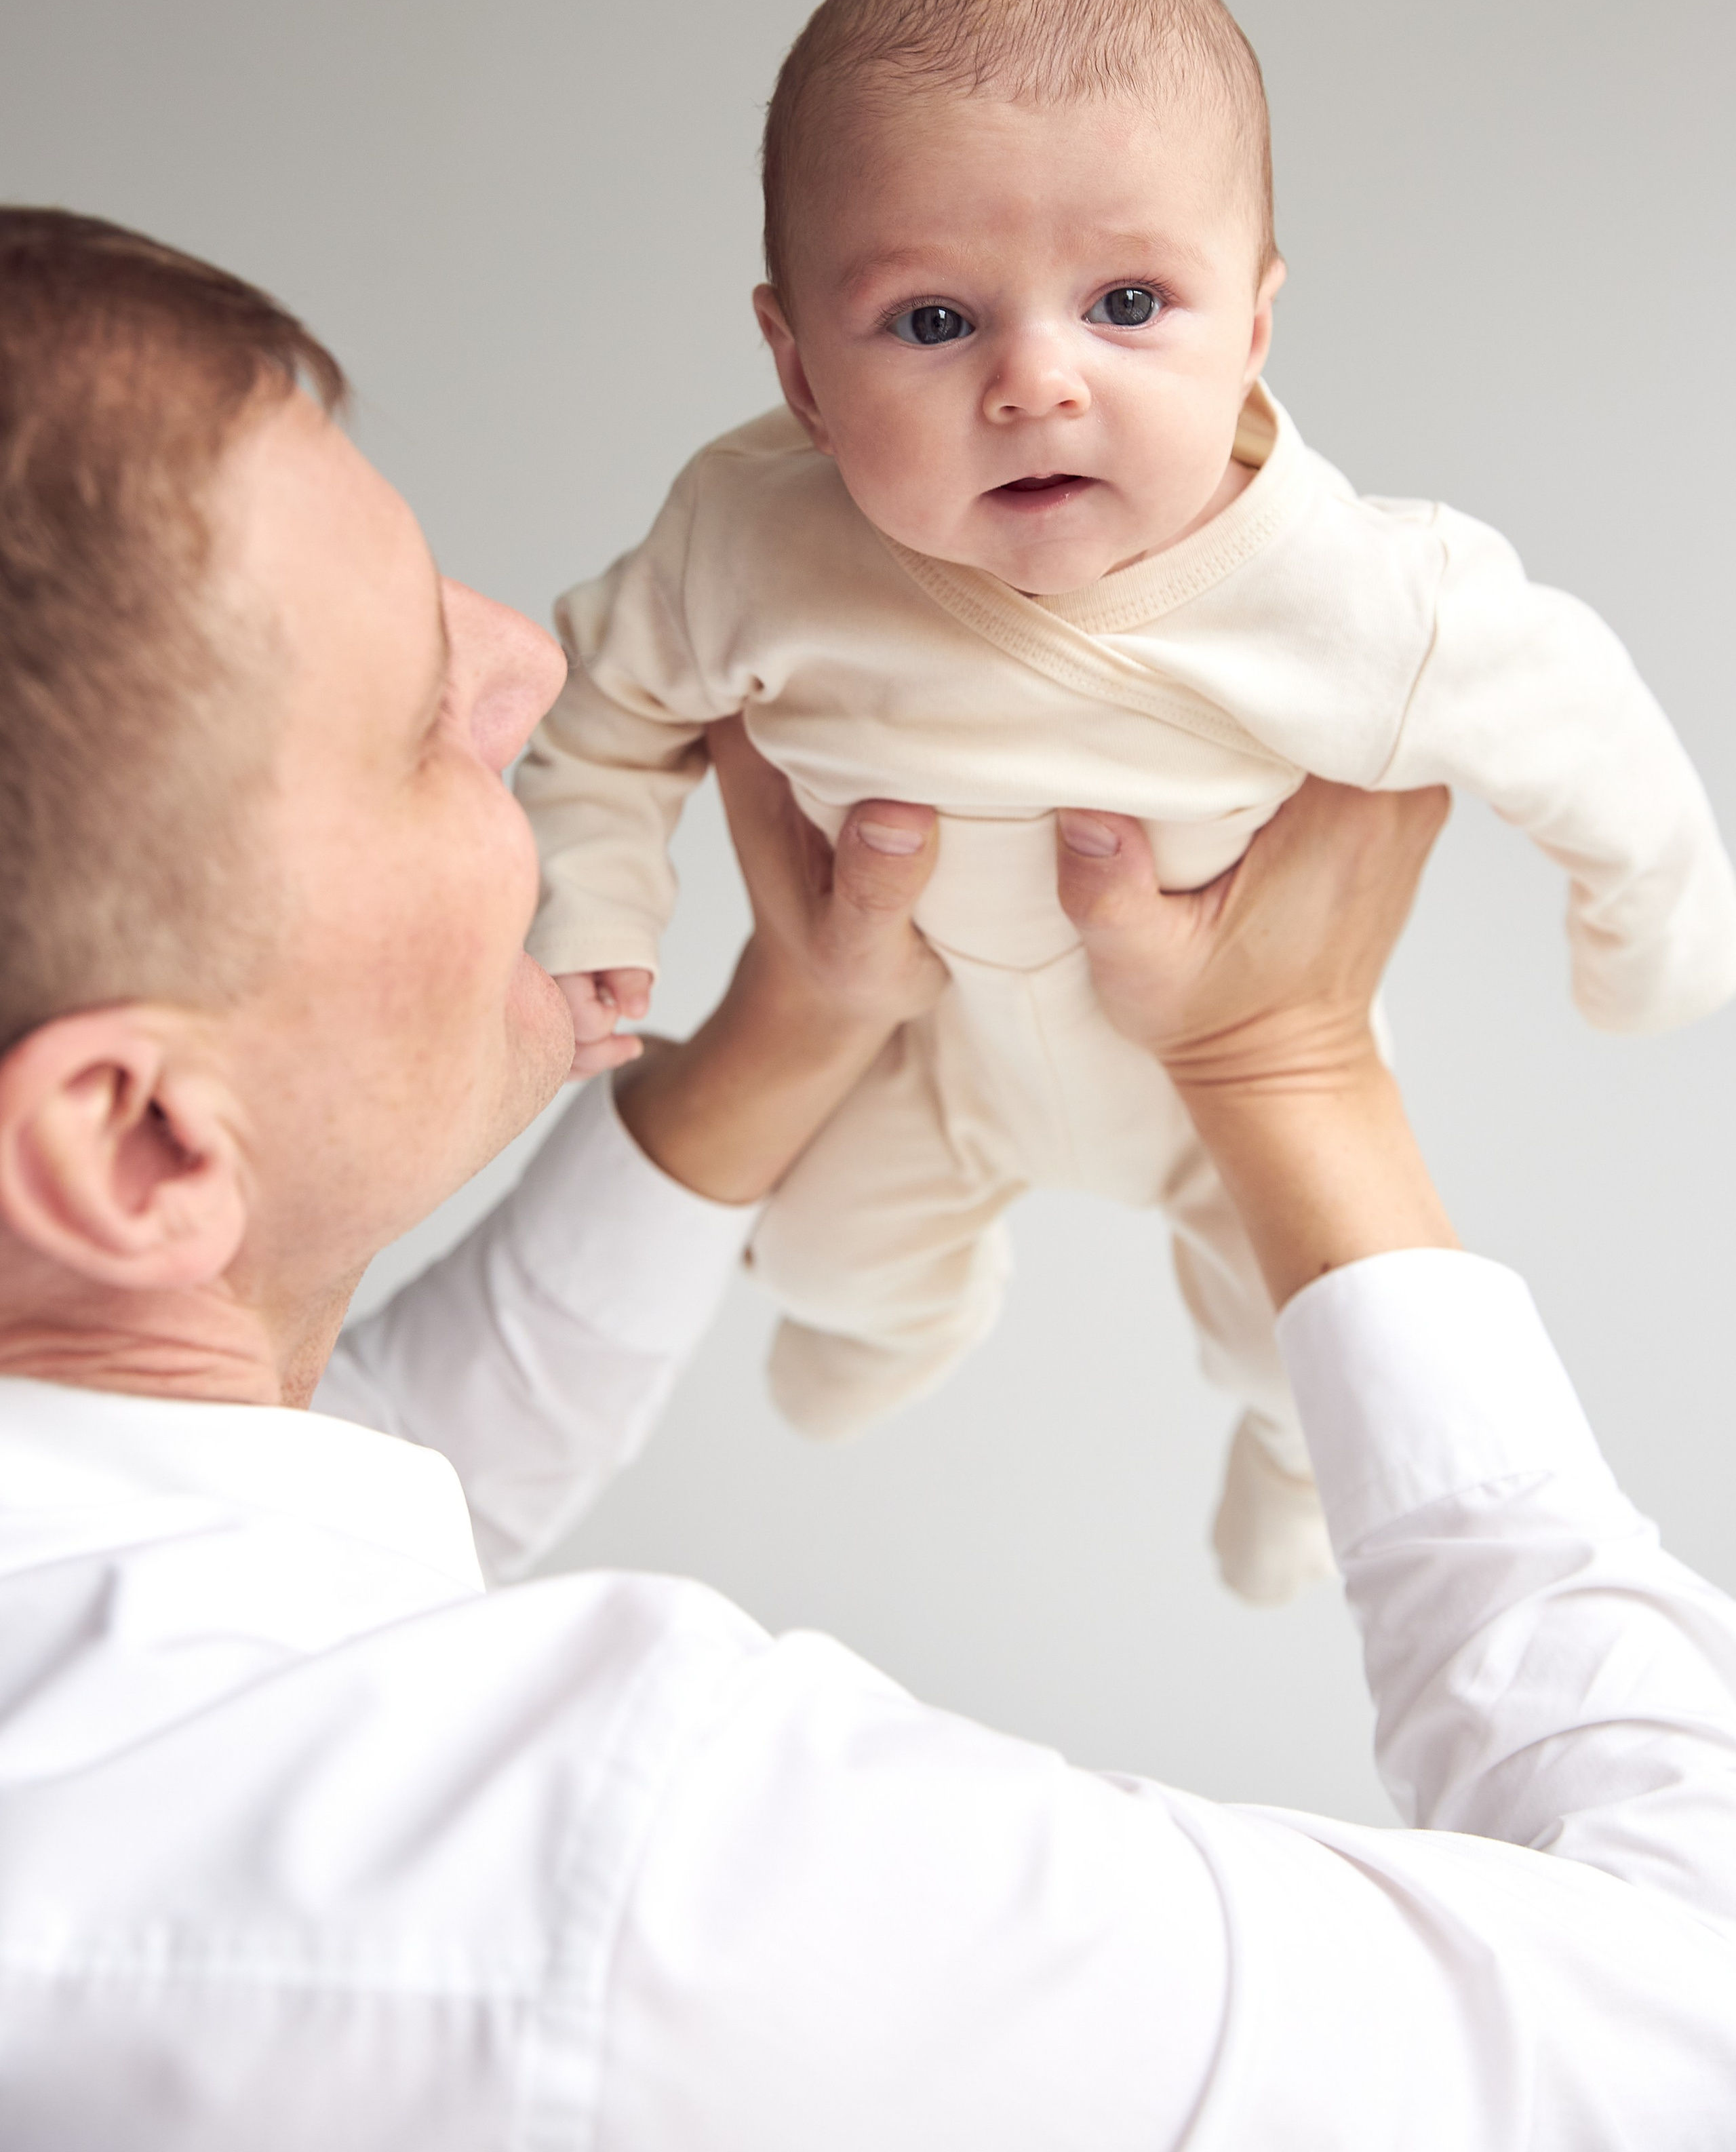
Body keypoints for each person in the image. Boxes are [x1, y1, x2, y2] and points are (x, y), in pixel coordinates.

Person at [0, 204, 1733, 2149]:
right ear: (137, 1142)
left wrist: (792, 1026)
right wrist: (1290, 1062)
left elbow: (328, 1511)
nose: (522, 662)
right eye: (418, 715)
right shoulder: (663, 1891)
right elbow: (1687, 2011)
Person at [517, 0, 1736, 1608]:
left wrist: (1648, 936)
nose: (1035, 381)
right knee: (817, 1244)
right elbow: (595, 708)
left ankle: (1291, 1468)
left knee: (1311, 1334)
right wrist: (592, 907)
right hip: (921, 1046)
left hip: (1217, 1076)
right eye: (932, 323)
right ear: (794, 366)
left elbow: (1580, 726)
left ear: (1249, 326)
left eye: (1127, 301)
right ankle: (902, 1325)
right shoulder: (750, 545)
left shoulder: (1355, 592)